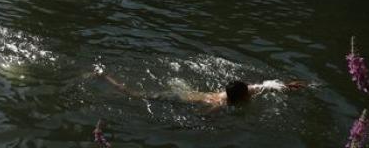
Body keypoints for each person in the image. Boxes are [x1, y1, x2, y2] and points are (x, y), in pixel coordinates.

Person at [104, 73, 306, 109]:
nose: (251, 89)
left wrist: (288, 86)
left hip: (191, 92)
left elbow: (265, 86)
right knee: (133, 94)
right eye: (247, 90)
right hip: (180, 98)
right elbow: (207, 115)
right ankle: (103, 76)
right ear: (242, 96)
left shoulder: (246, 92)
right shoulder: (221, 103)